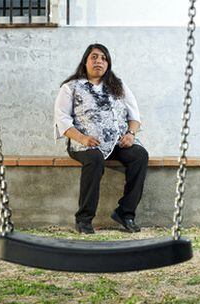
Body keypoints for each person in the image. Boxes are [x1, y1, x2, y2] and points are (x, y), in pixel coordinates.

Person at [54, 43, 148, 234]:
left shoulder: (118, 86)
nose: (99, 61)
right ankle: (84, 219)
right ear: (85, 61)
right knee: (95, 158)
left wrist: (130, 134)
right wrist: (82, 138)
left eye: (104, 58)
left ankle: (125, 213)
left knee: (140, 155)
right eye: (94, 57)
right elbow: (62, 119)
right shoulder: (70, 87)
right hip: (85, 144)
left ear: (108, 64)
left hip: (117, 142)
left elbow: (135, 116)